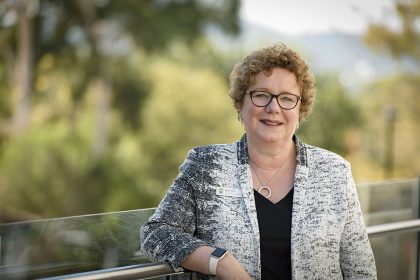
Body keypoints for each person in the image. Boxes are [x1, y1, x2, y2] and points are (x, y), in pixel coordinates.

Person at [141, 43, 377, 280]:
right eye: (261, 95)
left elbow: (361, 271)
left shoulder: (335, 172)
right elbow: (156, 233)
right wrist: (221, 262)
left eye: (286, 98)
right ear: (240, 105)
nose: (273, 107)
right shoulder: (205, 166)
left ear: (300, 110)